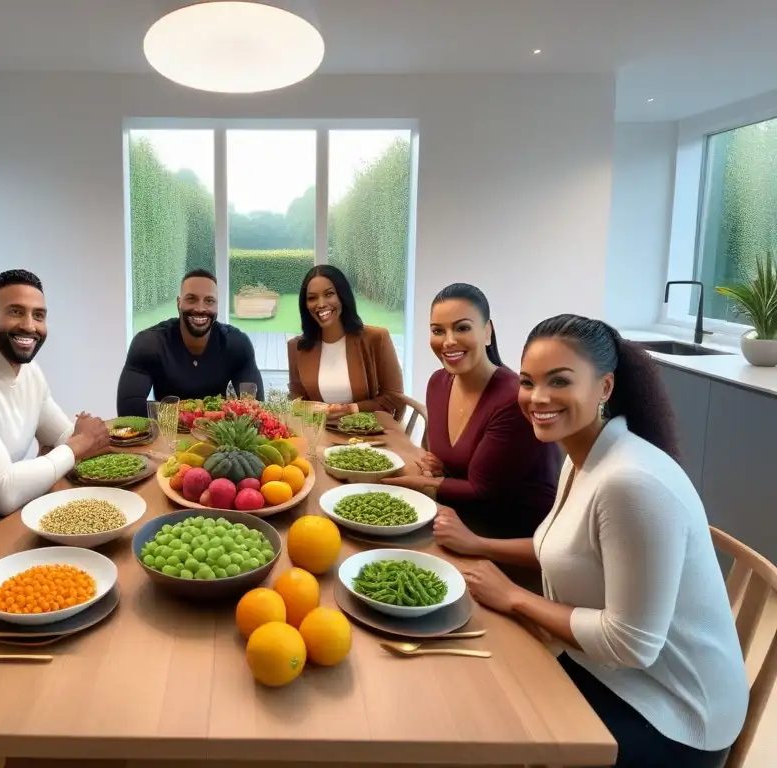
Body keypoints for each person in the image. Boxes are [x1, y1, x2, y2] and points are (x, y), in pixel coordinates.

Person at [450, 314, 747, 768]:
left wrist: (513, 597)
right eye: (528, 382)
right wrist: (478, 545)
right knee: (477, 689)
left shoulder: (630, 483)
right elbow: (564, 547)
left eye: (559, 381)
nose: (537, 398)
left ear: (605, 387)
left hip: (675, 717)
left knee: (491, 732)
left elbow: (630, 644)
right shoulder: (583, 453)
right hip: (603, 670)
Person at [384, 283, 557, 541]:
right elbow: (453, 463)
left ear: (487, 332)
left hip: (507, 535)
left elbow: (483, 491)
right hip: (454, 514)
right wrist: (439, 465)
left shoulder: (512, 398)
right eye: (437, 331)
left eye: (462, 327)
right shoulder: (438, 383)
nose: (449, 340)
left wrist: (417, 482)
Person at [0, 270, 109, 517]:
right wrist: (78, 444)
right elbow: (4, 494)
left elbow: (62, 436)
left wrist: (82, 438)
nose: (29, 326)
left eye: (38, 315)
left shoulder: (30, 370)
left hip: (28, 506)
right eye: (16, 312)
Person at [117, 269, 263, 417]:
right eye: (191, 299)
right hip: (167, 437)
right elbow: (129, 409)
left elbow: (256, 408)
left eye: (209, 301)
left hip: (217, 436)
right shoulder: (149, 344)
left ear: (217, 306)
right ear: (179, 303)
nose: (200, 308)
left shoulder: (237, 344)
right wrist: (199, 414)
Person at [287, 265, 404, 416]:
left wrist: (352, 409)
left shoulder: (376, 338)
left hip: (369, 434)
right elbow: (298, 401)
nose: (321, 304)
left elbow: (395, 398)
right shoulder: (297, 347)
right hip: (321, 433)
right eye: (312, 298)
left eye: (329, 294)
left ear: (343, 296)